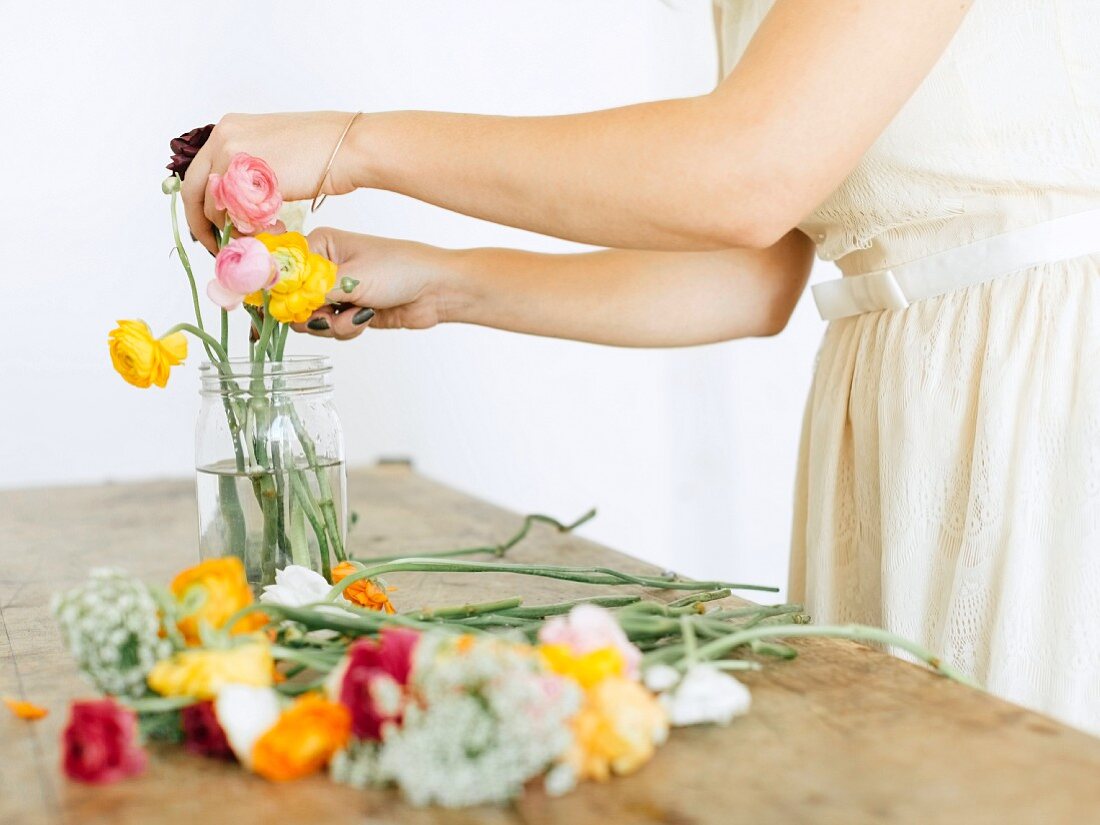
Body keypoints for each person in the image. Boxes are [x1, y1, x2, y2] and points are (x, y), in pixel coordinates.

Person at [183, 0, 1100, 733]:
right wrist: (446, 282)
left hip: (1048, 393)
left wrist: (358, 143)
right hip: (905, 411)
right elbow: (747, 273)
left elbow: (748, 172)